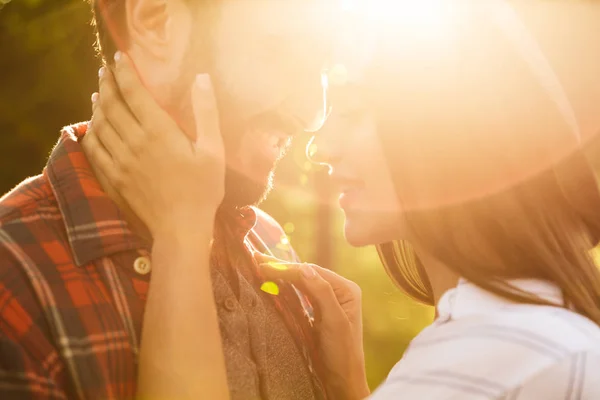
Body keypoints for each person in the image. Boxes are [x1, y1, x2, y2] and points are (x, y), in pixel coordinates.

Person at [86, 1, 600, 399]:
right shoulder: (521, 347)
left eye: (353, 111)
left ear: (453, 130)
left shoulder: (500, 361)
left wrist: (180, 229)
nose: (318, 144)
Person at [0, 1, 349, 399]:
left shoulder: (267, 241)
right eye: (284, 49)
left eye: (322, 68)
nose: (313, 114)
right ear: (154, 21)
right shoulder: (14, 285)